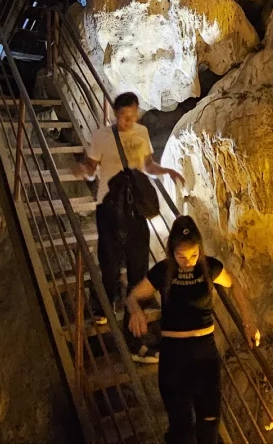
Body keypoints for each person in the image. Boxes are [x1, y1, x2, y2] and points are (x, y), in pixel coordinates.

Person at [126, 216, 260, 444]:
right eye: (181, 257)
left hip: (203, 353)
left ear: (200, 249)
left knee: (209, 420)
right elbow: (134, 296)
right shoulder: (164, 270)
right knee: (181, 426)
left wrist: (248, 320)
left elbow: (234, 283)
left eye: (193, 255)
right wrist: (136, 311)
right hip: (173, 356)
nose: (188, 262)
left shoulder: (210, 267)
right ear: (172, 252)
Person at [74, 92, 183, 356]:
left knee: (137, 262)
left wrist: (166, 170)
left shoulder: (141, 133)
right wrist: (84, 171)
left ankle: (135, 318)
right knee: (109, 259)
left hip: (134, 209)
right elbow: (91, 166)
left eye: (132, 116)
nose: (128, 121)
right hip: (109, 206)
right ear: (115, 113)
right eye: (124, 116)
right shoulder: (102, 136)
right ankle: (103, 305)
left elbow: (147, 165)